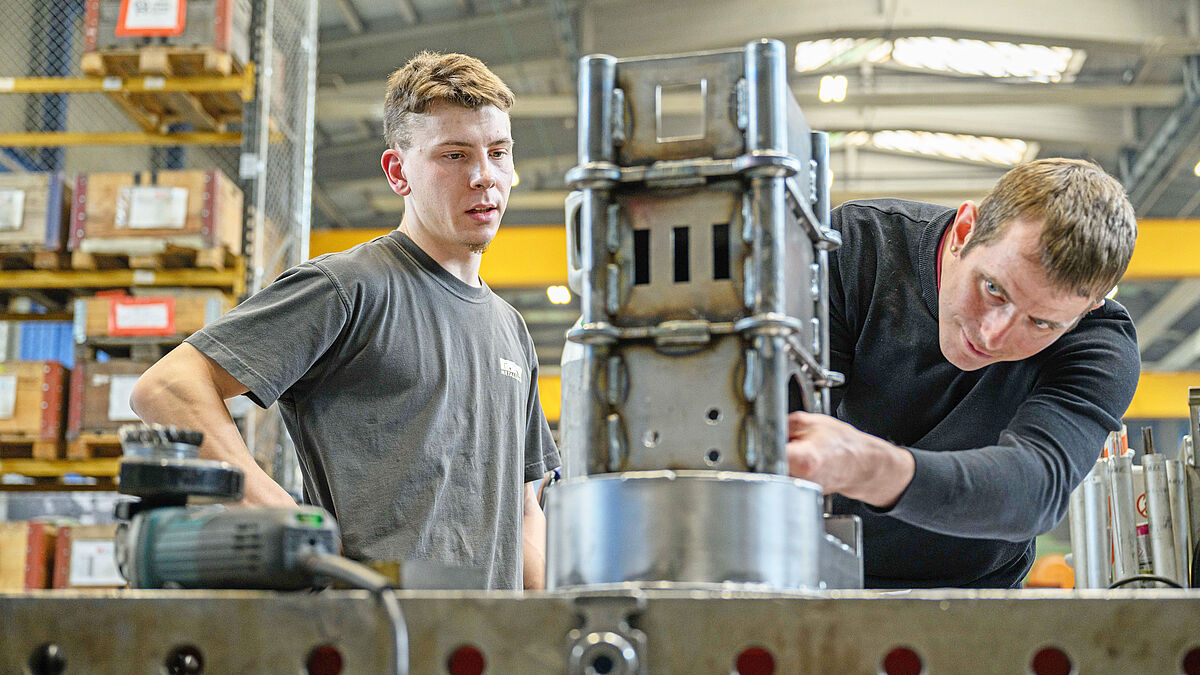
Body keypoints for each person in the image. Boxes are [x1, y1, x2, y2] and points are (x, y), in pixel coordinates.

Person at [130, 51, 561, 591]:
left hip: (488, 643)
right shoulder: (350, 288)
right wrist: (285, 520)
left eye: (498, 153)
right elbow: (167, 387)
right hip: (373, 633)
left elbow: (526, 509)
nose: (483, 177)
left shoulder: (511, 330)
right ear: (398, 172)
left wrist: (542, 629)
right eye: (454, 155)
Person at [786, 158, 1139, 588]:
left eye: (1041, 323)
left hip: (978, 596)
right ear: (964, 231)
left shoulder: (1097, 346)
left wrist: (870, 468)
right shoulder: (857, 249)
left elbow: (1034, 488)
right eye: (992, 288)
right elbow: (783, 429)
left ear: (1087, 310)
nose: (993, 335)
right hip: (815, 573)